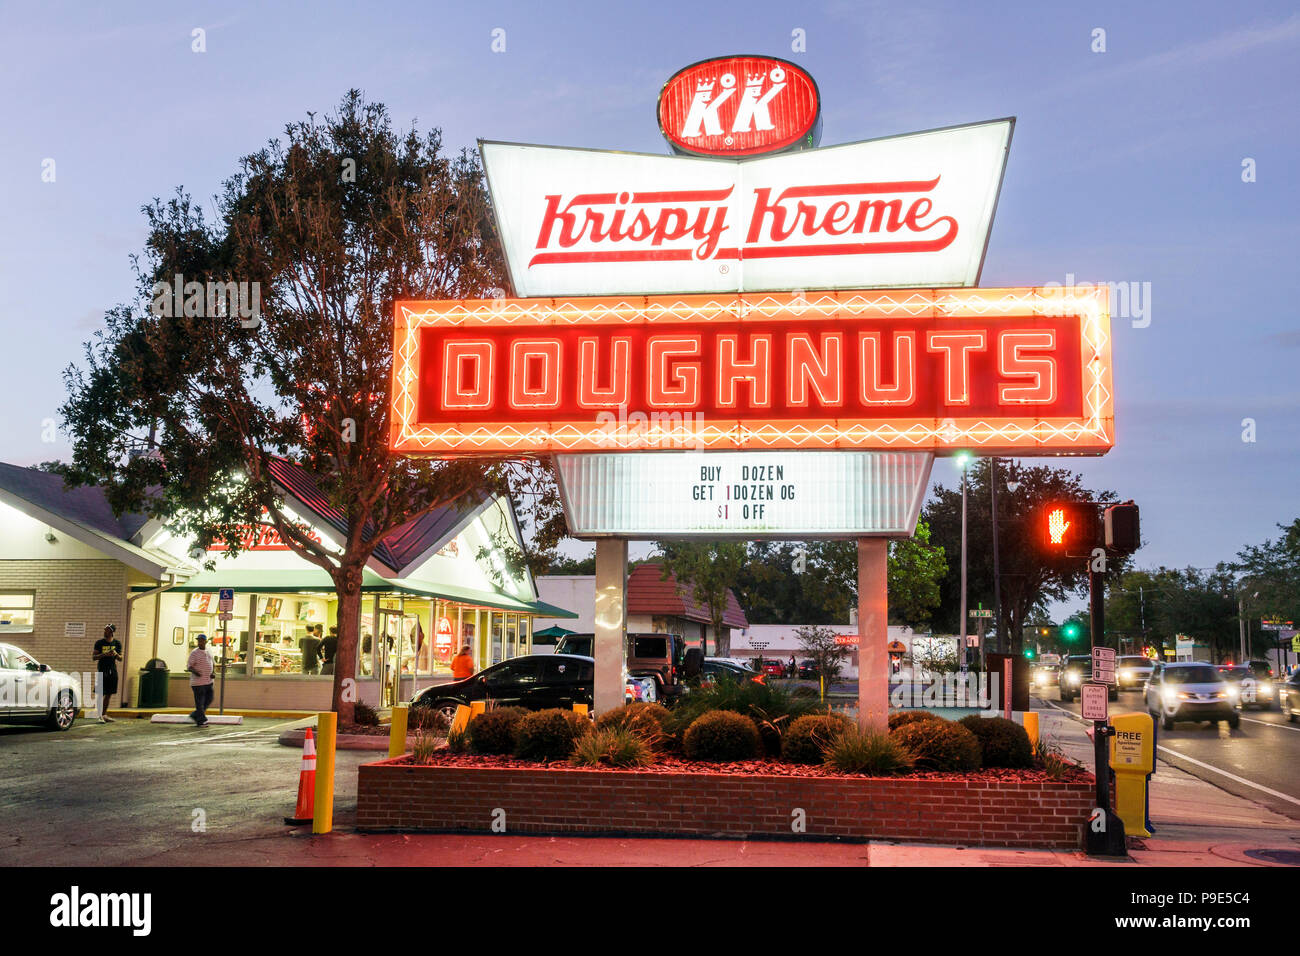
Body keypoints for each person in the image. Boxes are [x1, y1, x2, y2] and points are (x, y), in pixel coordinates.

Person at [91, 624, 122, 722]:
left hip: (112, 670)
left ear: (112, 632)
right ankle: (99, 714)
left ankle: (104, 714)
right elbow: (94, 657)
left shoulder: (117, 643)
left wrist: (115, 654)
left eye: (107, 630)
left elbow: (121, 658)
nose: (105, 632)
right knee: (100, 693)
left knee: (109, 693)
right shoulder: (99, 643)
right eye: (104, 630)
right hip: (102, 670)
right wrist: (104, 654)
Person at [187, 634, 215, 727]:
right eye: (199, 640)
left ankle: (195, 715)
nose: (200, 642)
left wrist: (213, 672)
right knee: (200, 702)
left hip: (209, 681)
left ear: (205, 641)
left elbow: (213, 663)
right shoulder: (194, 653)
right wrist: (196, 672)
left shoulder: (209, 651)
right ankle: (201, 721)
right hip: (198, 683)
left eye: (202, 640)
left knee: (209, 699)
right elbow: (189, 667)